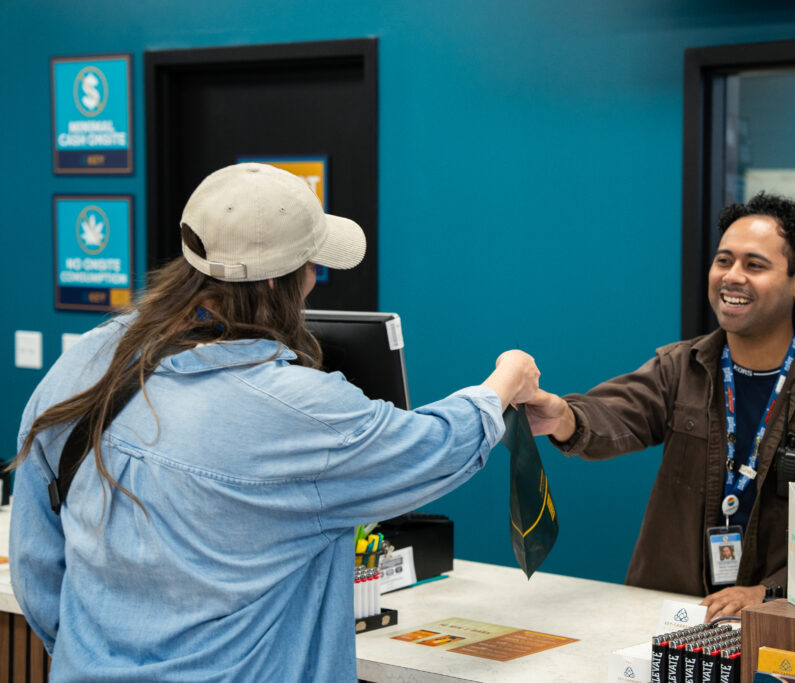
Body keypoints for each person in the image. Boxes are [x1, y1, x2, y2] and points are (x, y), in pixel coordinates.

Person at [10, 163, 540, 681]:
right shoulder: (298, 410)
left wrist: (92, 657)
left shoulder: (85, 361)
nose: (313, 281)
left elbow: (37, 561)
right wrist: (504, 382)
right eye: (310, 266)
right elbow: (434, 448)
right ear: (272, 283)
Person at [527, 192, 795, 620]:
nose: (732, 276)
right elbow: (615, 413)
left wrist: (768, 592)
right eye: (724, 261)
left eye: (754, 265)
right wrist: (563, 415)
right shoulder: (682, 367)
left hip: (779, 621)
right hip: (676, 614)